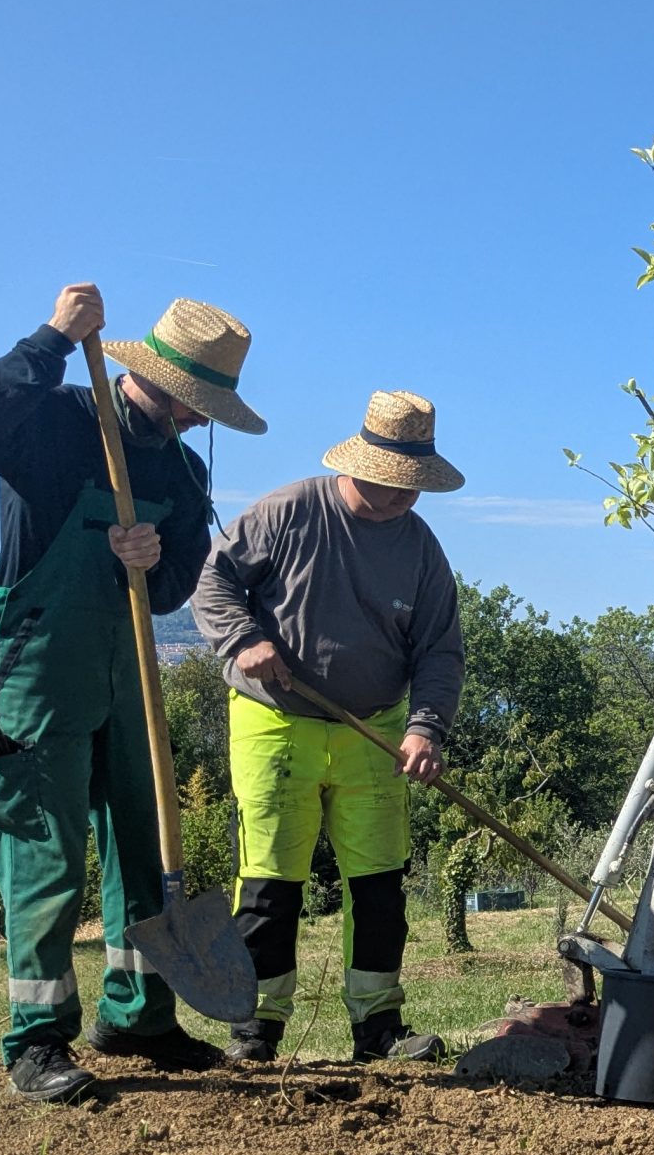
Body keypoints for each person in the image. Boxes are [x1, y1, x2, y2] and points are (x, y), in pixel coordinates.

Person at [0, 284, 268, 1102]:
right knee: (44, 858)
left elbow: (170, 592)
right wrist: (54, 335)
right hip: (36, 671)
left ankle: (139, 1016)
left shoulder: (182, 468)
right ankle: (35, 1039)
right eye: (192, 402)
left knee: (144, 844)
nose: (197, 419)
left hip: (130, 671)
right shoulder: (55, 420)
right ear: (153, 378)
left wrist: (151, 558)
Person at [192, 392, 466, 1064]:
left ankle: (378, 1028)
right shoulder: (290, 511)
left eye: (416, 485)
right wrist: (242, 640)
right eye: (397, 481)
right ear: (361, 464)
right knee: (269, 884)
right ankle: (255, 1030)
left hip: (377, 730)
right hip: (274, 721)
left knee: (379, 886)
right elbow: (213, 583)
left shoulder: (422, 549)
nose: (407, 496)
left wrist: (425, 729)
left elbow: (440, 650)